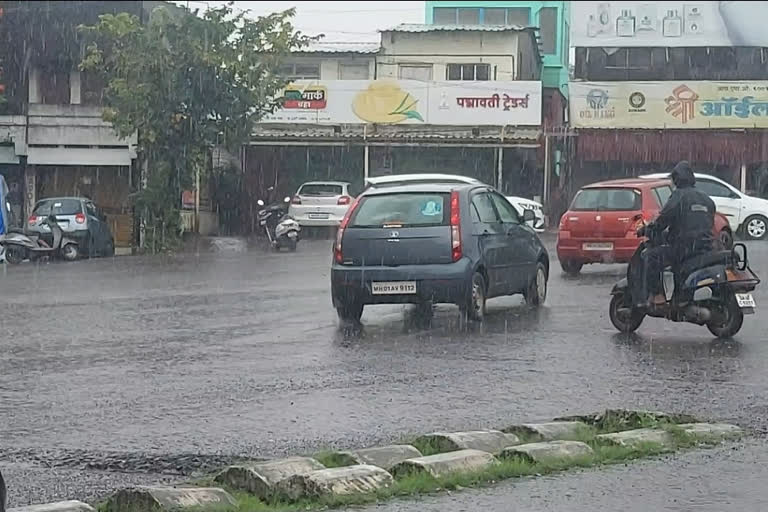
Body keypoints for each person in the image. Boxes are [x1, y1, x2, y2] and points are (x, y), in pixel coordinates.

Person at [631, 161, 716, 307]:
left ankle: (658, 296)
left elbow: (663, 220)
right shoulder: (706, 199)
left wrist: (648, 229)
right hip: (704, 247)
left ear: (676, 179)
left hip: (684, 248)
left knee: (650, 256)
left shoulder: (679, 196)